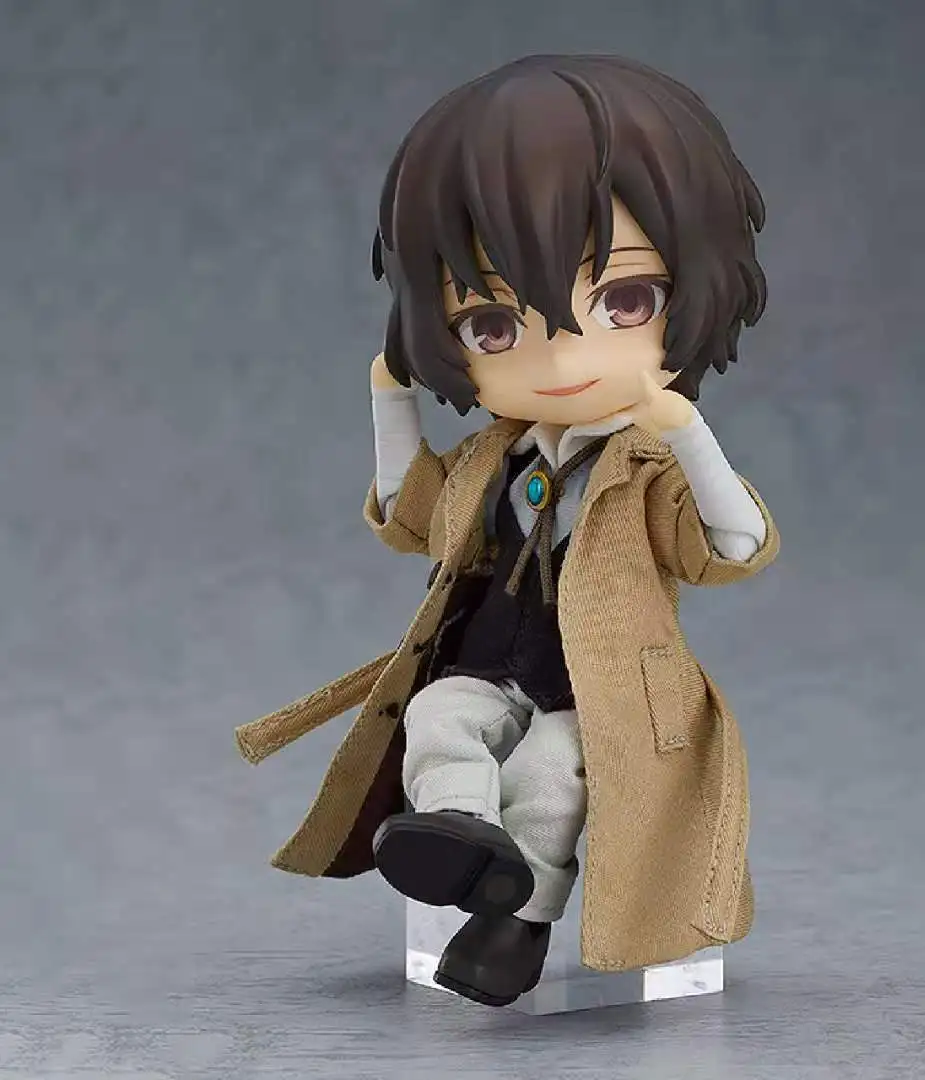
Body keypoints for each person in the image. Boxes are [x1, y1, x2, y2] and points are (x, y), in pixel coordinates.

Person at [236, 53, 780, 1009]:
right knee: (441, 717)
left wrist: (690, 434)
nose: (562, 358)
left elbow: (731, 548)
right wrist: (390, 401)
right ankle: (455, 836)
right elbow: (412, 519)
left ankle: (515, 927)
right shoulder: (492, 459)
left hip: (604, 694)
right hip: (490, 664)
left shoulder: (646, 466)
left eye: (622, 302)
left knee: (551, 774)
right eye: (493, 323)